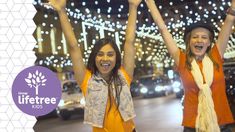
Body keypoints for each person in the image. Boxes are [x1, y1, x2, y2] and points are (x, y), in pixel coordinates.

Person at [47, 0, 141, 131]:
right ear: (94, 57)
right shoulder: (86, 79)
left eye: (110, 54)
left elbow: (129, 41)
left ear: (116, 57)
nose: (105, 58)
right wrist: (62, 11)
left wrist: (133, 6)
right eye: (100, 54)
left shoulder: (124, 75)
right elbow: (74, 47)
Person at [145, 0, 235, 132]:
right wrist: (150, 2)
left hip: (222, 125)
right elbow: (163, 30)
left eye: (204, 37)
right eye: (195, 37)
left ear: (209, 42)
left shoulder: (216, 55)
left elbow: (229, 20)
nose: (199, 40)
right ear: (189, 41)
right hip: (193, 126)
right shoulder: (182, 60)